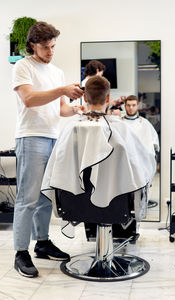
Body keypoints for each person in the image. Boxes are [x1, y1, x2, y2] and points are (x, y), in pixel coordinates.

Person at [41, 76, 156, 238]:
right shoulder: (120, 128)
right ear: (108, 98)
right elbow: (146, 163)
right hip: (118, 205)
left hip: (75, 204)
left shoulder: (70, 129)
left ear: (84, 97)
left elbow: (55, 171)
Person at [12, 21, 84, 278]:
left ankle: (42, 242)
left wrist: (77, 108)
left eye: (53, 46)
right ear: (33, 45)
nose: (51, 51)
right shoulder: (23, 66)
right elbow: (30, 99)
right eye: (45, 47)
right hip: (31, 138)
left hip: (54, 138)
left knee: (45, 197)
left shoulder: (57, 72)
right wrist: (62, 90)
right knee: (27, 198)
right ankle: (21, 252)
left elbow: (61, 109)